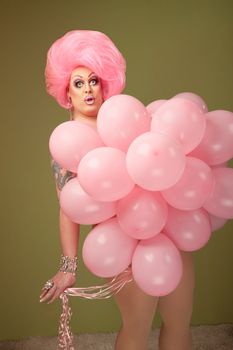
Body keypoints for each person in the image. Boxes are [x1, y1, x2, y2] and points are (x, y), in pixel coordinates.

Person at [40, 30, 195, 350]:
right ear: (66, 93)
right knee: (137, 329)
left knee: (180, 321)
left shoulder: (128, 119)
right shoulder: (69, 146)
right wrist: (68, 267)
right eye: (78, 83)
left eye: (93, 80)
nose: (88, 90)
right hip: (123, 249)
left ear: (104, 83)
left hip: (169, 234)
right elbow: (69, 208)